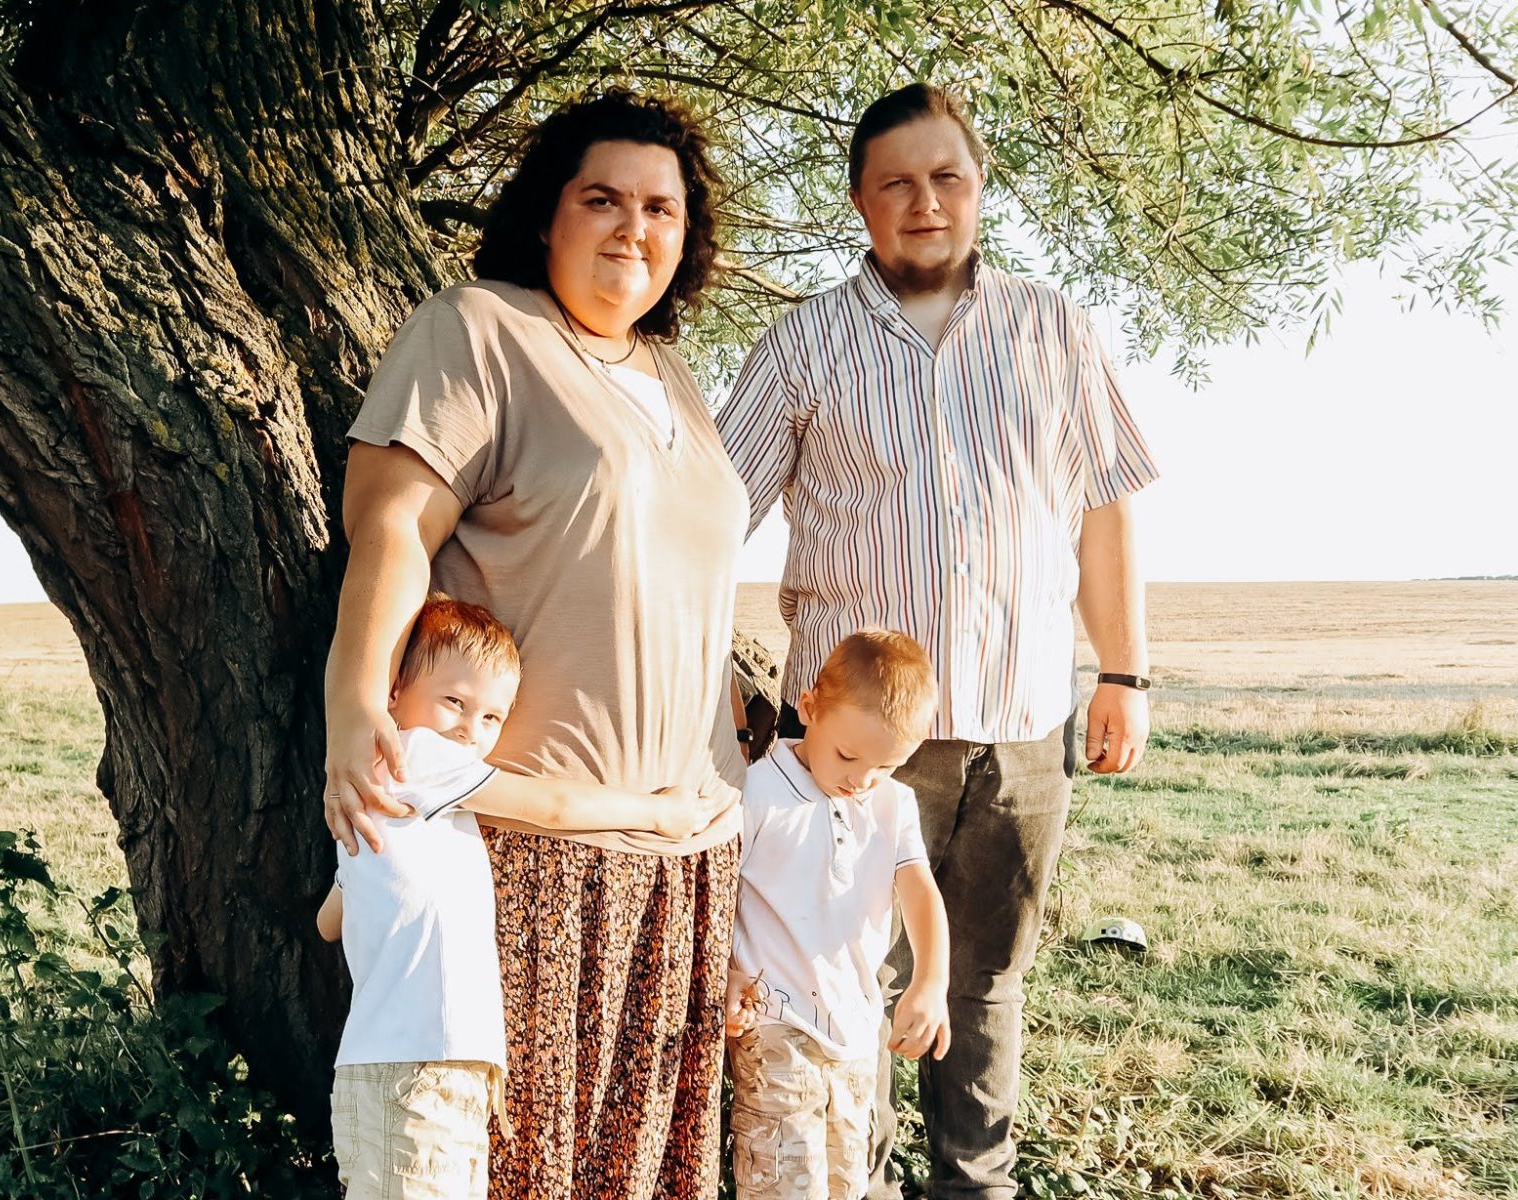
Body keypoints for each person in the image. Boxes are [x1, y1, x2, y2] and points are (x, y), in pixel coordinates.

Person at [717, 82, 1160, 1200]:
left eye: (946, 177)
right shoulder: (803, 343)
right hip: (853, 750)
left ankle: (976, 1184)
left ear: (979, 185)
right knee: (839, 974)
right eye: (897, 183)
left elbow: (1104, 506)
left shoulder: (1052, 328)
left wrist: (1123, 671)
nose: (925, 201)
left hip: (1021, 728)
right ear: (860, 201)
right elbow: (711, 515)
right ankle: (851, 1182)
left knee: (985, 981)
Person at [322, 89, 748, 1199]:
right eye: (602, 199)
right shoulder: (479, 330)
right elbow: (390, 529)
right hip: (528, 847)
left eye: (660, 209)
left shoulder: (674, 378)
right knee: (527, 1166)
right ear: (546, 215)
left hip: (687, 849)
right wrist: (354, 708)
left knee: (642, 1172)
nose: (633, 228)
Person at [318, 596, 728, 1200]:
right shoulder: (414, 756)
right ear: (395, 693)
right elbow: (552, 807)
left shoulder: (394, 797)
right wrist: (659, 814)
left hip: (421, 1066)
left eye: (492, 717)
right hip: (416, 1068)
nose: (470, 729)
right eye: (454, 702)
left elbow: (329, 922)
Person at [726, 630, 951, 1200]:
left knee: (845, 1182)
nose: (860, 780)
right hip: (774, 1023)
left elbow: (919, 889)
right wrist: (726, 972)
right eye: (848, 756)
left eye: (885, 765)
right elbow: (720, 893)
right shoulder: (758, 792)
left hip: (854, 1028)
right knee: (782, 1185)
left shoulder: (892, 803)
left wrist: (931, 981)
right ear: (809, 708)